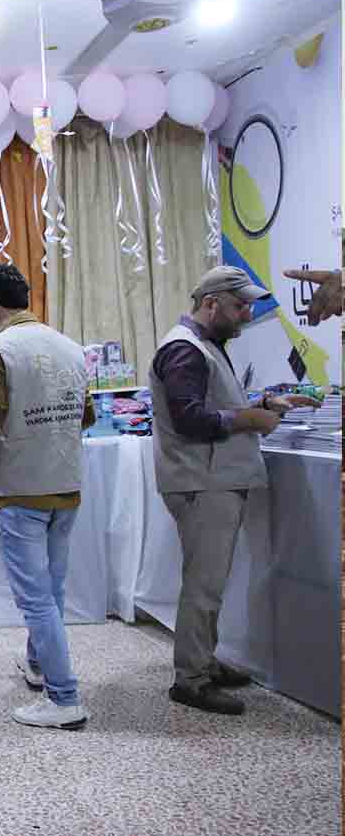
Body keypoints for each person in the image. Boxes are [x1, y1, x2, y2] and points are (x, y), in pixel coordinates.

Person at [150, 265, 320, 715]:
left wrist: (263, 404)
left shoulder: (205, 346)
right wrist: (249, 419)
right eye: (240, 305)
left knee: (210, 581)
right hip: (202, 483)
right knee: (203, 585)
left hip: (211, 480)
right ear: (211, 304)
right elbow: (189, 419)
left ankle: (203, 660)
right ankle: (190, 679)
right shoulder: (184, 350)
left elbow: (213, 406)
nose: (247, 315)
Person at [0, 264, 95, 730]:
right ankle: (37, 663)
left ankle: (64, 697)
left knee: (36, 599)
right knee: (52, 589)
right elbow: (86, 416)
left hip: (21, 489)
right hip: (66, 483)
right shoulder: (70, 347)